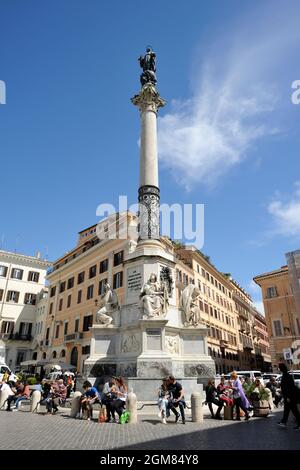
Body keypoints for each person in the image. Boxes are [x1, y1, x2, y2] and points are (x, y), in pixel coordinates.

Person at [277, 363, 300, 430]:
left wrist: (288, 397)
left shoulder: (286, 376)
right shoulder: (286, 375)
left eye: (279, 367)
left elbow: (289, 388)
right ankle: (284, 422)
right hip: (288, 396)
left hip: (290, 397)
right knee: (287, 410)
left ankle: (299, 424)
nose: (278, 368)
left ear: (281, 368)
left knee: (294, 411)